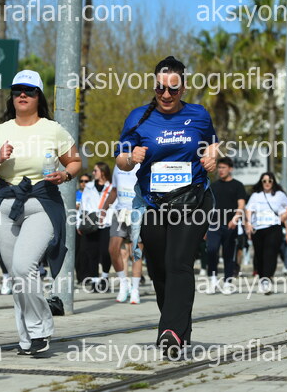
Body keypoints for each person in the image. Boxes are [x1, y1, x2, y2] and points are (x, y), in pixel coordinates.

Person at [115, 56, 218, 356]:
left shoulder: (198, 115)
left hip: (192, 200)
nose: (166, 94)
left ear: (183, 88)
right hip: (153, 205)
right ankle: (178, 326)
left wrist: (212, 156)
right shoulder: (138, 118)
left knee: (178, 262)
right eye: (161, 88)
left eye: (173, 89)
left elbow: (212, 143)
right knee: (159, 268)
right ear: (154, 86)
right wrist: (131, 158)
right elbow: (120, 160)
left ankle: (170, 332)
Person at [0, 69, 82, 354]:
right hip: (6, 205)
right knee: (16, 276)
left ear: (38, 96)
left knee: (24, 267)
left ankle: (41, 330)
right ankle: (27, 338)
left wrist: (65, 175)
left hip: (41, 203)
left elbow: (74, 161)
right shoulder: (0, 132)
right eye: (18, 90)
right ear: (12, 96)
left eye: (30, 90)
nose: (23, 94)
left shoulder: (53, 129)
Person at [245, 172, 287, 294]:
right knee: (259, 255)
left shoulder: (279, 195)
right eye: (264, 181)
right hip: (258, 228)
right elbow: (249, 209)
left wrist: (285, 215)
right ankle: (262, 279)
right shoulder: (256, 195)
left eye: (270, 181)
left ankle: (267, 279)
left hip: (274, 227)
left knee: (270, 254)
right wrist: (248, 223)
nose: (267, 183)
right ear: (261, 182)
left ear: (273, 182)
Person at [205, 157, 246, 293]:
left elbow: (241, 204)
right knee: (211, 250)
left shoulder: (238, 185)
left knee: (228, 254)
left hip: (230, 225)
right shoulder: (213, 186)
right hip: (214, 224)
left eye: (223, 167)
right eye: (219, 167)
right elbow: (208, 206)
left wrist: (235, 218)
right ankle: (213, 280)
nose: (221, 170)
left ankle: (228, 282)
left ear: (230, 169)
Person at [106, 163, 144, 303]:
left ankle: (135, 289)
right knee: (113, 249)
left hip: (137, 211)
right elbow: (114, 190)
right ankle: (124, 284)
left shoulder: (142, 164)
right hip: (120, 211)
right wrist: (103, 209)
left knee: (136, 252)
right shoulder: (118, 165)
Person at [78, 162, 113, 292]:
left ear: (103, 172)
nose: (93, 173)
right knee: (92, 253)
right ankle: (94, 281)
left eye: (95, 171)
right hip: (91, 223)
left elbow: (115, 204)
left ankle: (104, 277)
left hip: (107, 223)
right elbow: (83, 205)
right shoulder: (89, 186)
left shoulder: (111, 187)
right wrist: (79, 223)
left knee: (105, 252)